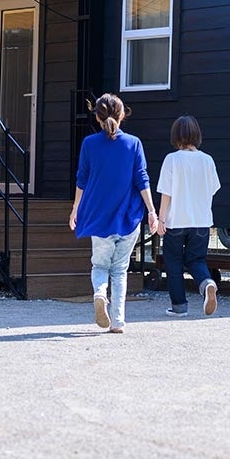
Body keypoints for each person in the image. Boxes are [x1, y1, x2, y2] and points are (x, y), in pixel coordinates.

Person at [69, 93, 158, 333]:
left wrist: (75, 208)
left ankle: (100, 294)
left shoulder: (89, 144)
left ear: (97, 117)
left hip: (99, 218)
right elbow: (142, 179)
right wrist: (152, 211)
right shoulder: (134, 143)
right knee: (120, 270)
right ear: (122, 115)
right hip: (128, 218)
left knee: (100, 266)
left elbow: (82, 179)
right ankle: (118, 321)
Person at [154, 115, 222, 318]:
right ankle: (207, 283)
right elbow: (213, 189)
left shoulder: (172, 159)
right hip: (201, 221)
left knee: (173, 263)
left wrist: (161, 219)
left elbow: (166, 193)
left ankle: (179, 307)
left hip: (176, 221)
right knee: (196, 260)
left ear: (176, 136)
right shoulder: (208, 160)